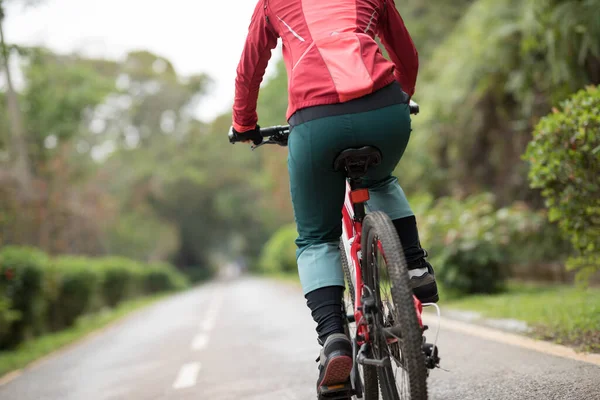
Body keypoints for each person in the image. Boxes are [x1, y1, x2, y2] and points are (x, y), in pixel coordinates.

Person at [229, 0, 438, 393]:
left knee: (315, 237)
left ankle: (333, 338)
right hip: (385, 110)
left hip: (316, 123)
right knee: (380, 181)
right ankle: (413, 266)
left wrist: (245, 124)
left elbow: (250, 67)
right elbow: (405, 54)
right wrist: (399, 98)